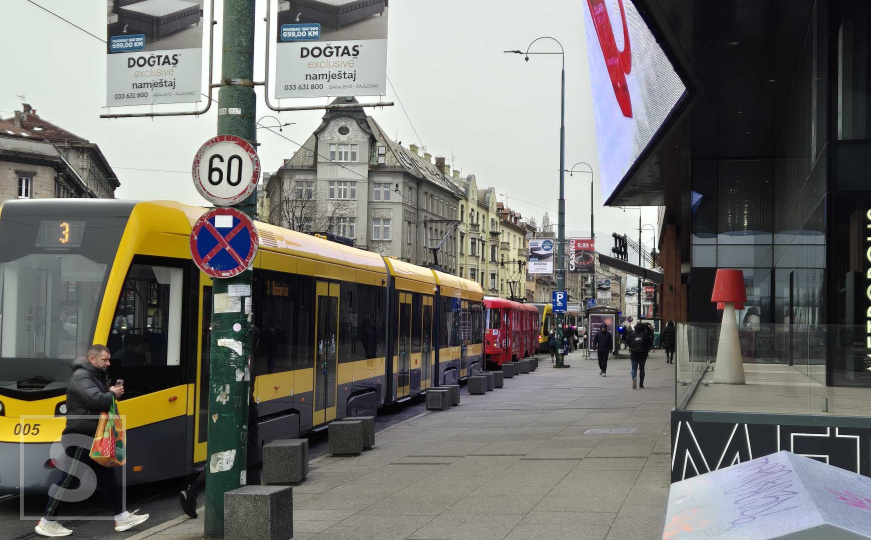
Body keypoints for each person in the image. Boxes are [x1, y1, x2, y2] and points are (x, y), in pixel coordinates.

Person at [37, 345, 149, 537]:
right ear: (91, 359)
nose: (108, 363)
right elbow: (98, 400)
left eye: (108, 359)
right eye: (104, 360)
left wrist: (112, 393)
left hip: (93, 435)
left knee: (107, 478)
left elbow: (100, 401)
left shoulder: (94, 375)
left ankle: (122, 517)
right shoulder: (82, 376)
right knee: (69, 479)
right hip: (80, 435)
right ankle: (47, 522)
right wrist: (112, 393)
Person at [628, 323, 654, 389]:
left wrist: (631, 347)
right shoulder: (645, 335)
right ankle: (641, 383)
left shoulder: (631, 335)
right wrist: (647, 349)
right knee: (642, 368)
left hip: (634, 354)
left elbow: (627, 342)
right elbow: (650, 343)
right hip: (643, 354)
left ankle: (634, 377)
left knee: (634, 368)